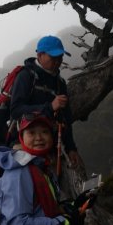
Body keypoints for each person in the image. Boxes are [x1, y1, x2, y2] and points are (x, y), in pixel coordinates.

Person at [10, 35, 81, 167]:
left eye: (60, 57)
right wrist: (49, 107)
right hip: (24, 142)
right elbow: (16, 110)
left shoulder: (60, 83)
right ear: (40, 55)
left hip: (49, 143)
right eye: (53, 57)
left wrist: (71, 148)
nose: (58, 61)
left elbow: (65, 119)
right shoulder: (26, 76)